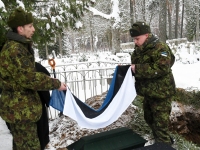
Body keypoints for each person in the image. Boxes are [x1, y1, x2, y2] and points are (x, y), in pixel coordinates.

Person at [0, 7, 67, 150]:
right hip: (20, 111)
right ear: (20, 29)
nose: (33, 29)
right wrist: (56, 84)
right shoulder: (15, 49)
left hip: (22, 110)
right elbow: (29, 78)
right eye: (30, 26)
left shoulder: (19, 46)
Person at [129, 21, 176, 145]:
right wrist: (127, 70)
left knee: (160, 126)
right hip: (148, 93)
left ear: (146, 35)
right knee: (149, 119)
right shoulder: (138, 50)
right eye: (134, 39)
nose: (135, 42)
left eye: (137, 39)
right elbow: (138, 68)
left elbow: (162, 68)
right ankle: (162, 143)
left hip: (161, 94)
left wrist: (137, 69)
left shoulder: (160, 47)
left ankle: (164, 145)